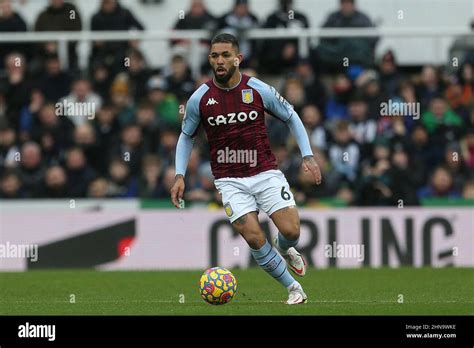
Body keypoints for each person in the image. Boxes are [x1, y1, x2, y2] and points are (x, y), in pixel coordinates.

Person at [170, 33, 322, 305]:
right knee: (253, 235)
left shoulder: (258, 90)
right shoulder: (200, 99)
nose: (220, 60)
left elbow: (291, 116)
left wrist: (307, 155)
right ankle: (294, 288)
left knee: (291, 231)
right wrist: (179, 174)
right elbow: (185, 136)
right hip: (229, 179)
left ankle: (286, 249)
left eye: (226, 55)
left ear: (238, 59)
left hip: (264, 172)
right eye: (215, 55)